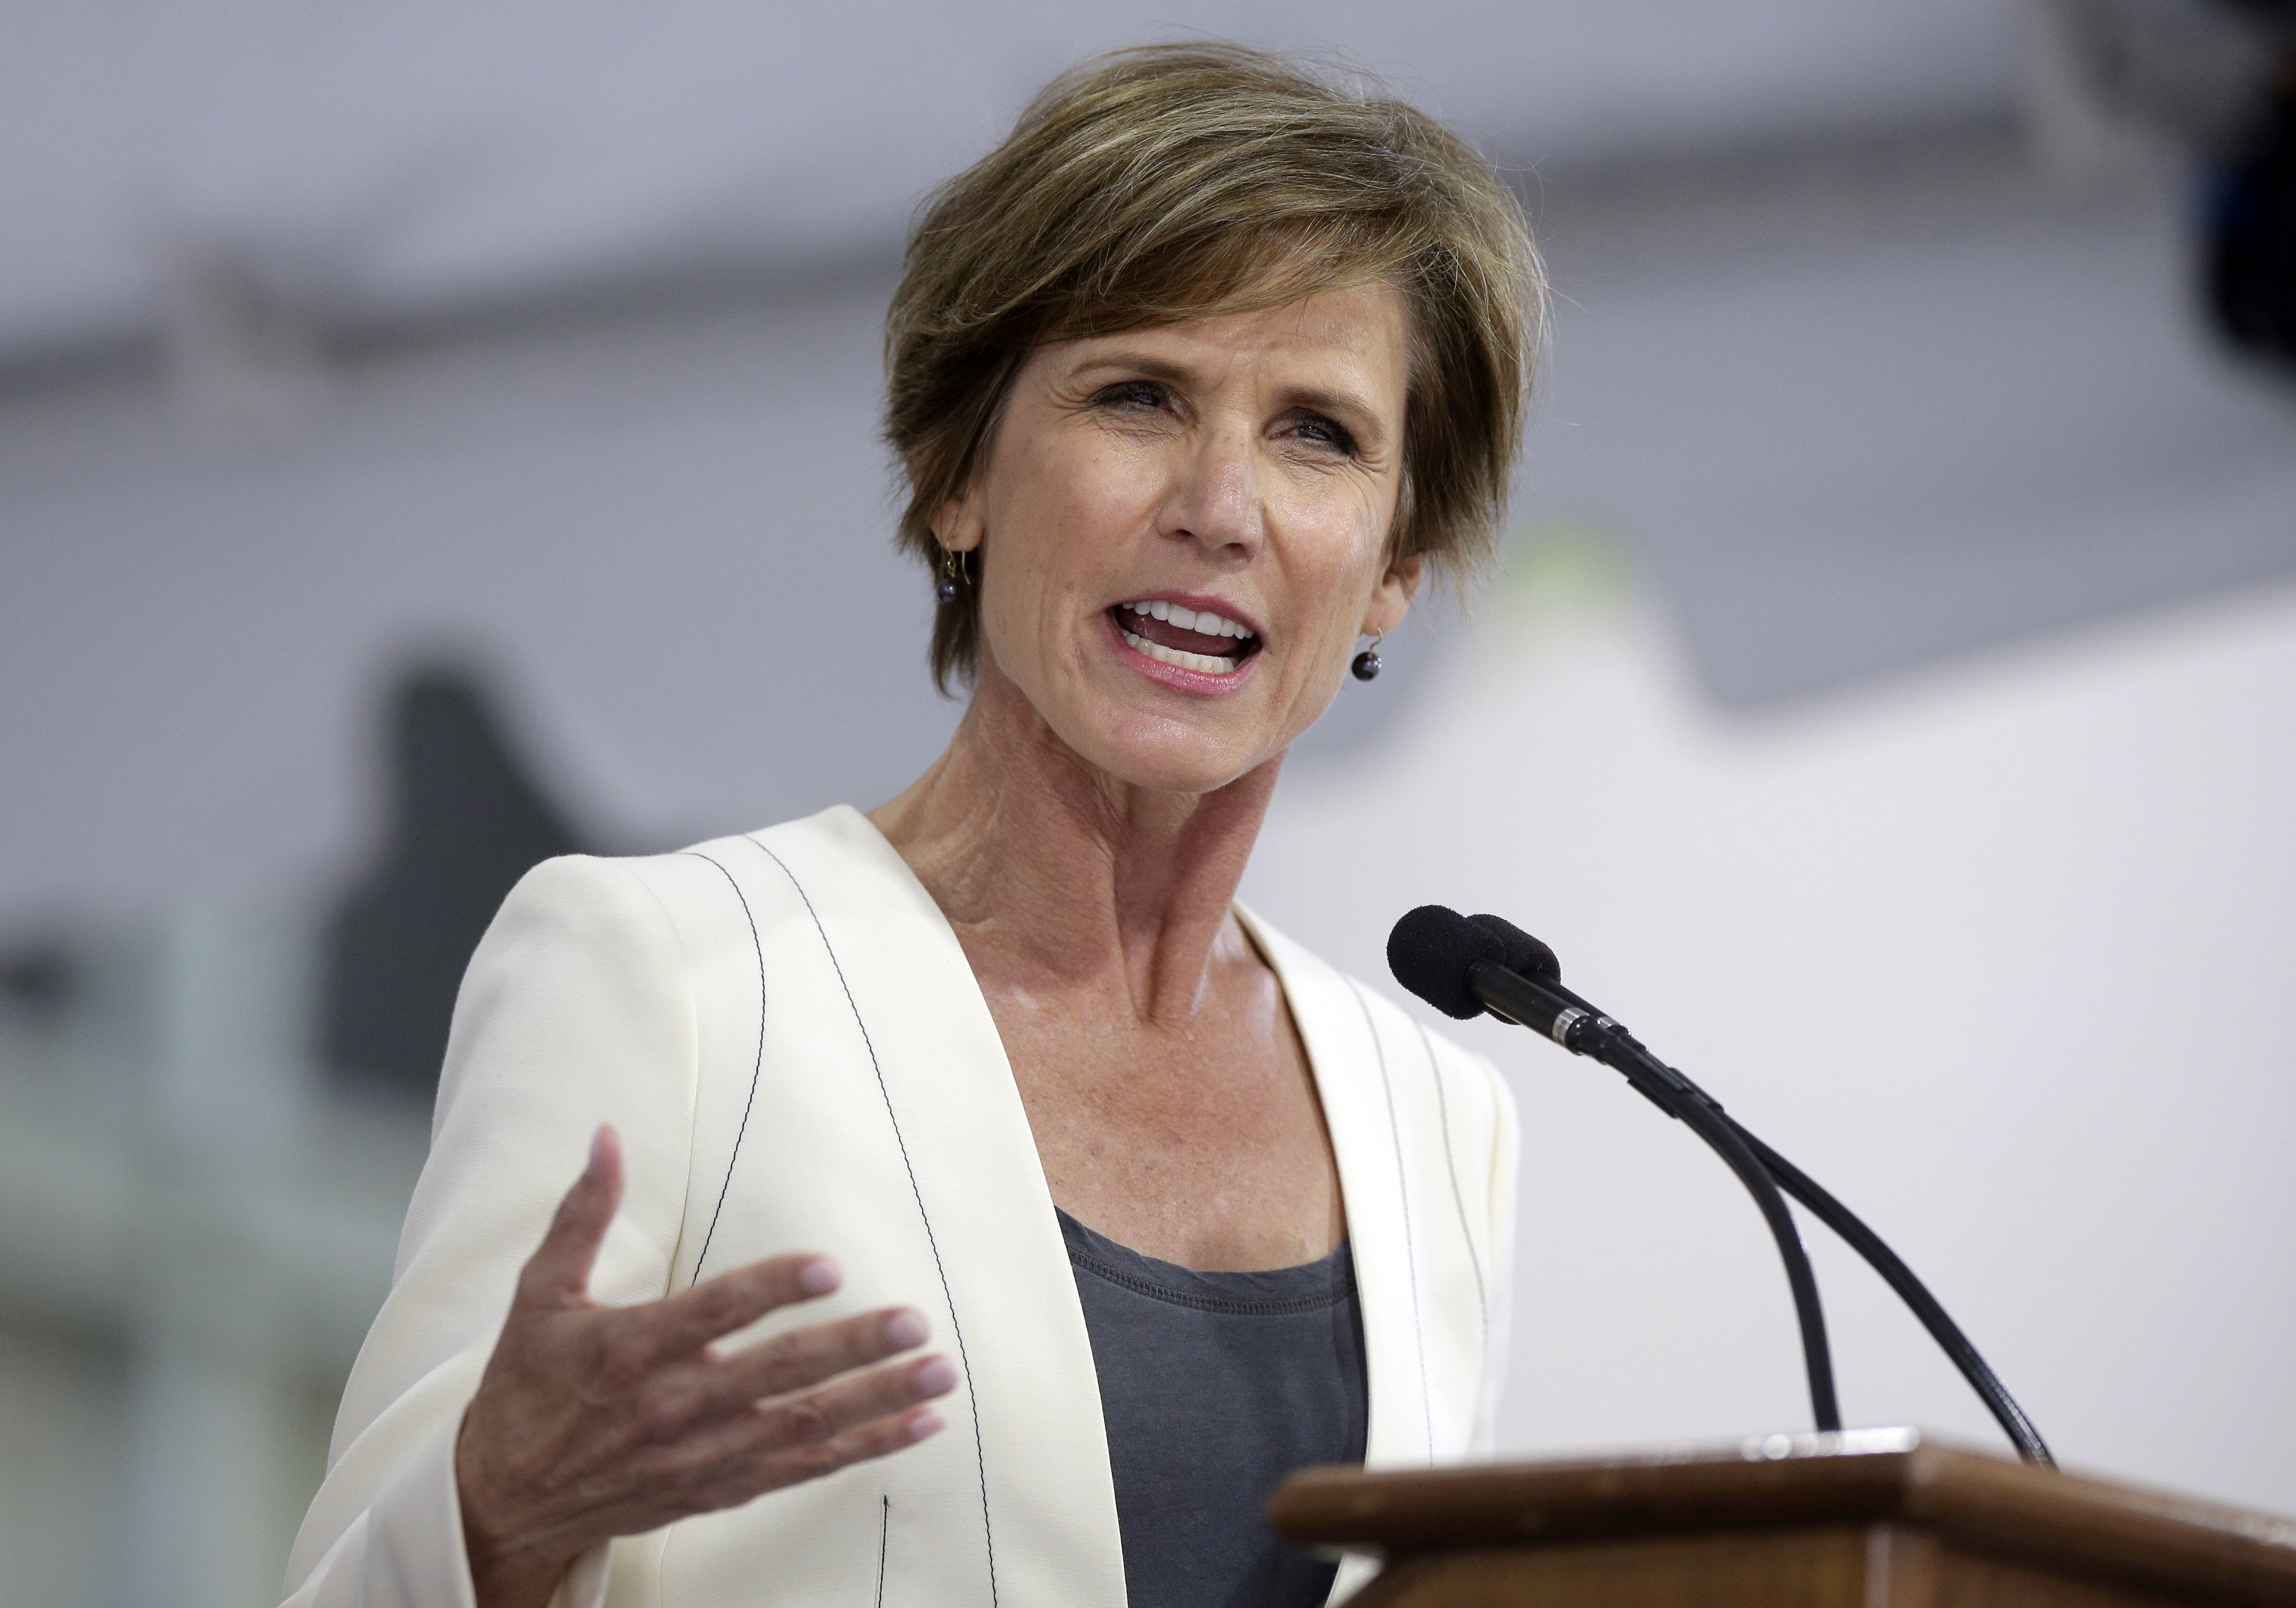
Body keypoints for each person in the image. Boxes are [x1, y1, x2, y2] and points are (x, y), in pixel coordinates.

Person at [284, 41, 1544, 1608]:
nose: (1221, 504)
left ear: (1396, 566)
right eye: (1139, 396)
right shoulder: (666, 978)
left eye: (1318, 434)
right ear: (959, 475)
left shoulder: (1440, 1113)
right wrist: (496, 1518)